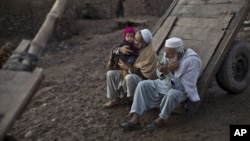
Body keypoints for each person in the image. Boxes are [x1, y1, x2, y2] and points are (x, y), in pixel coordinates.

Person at [120, 37, 202, 131]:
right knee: (142, 85)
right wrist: (164, 70)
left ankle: (160, 120)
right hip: (164, 83)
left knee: (172, 94)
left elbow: (182, 87)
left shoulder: (191, 61)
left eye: (169, 53)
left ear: (178, 53)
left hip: (180, 89)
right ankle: (135, 119)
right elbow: (159, 72)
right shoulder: (169, 54)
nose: (166, 55)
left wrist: (167, 72)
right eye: (165, 52)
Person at [103, 29, 158, 108]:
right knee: (110, 73)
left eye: (136, 40)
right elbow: (115, 50)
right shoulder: (134, 46)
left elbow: (145, 74)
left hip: (142, 81)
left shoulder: (149, 54)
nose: (133, 41)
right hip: (127, 72)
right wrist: (119, 50)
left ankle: (134, 102)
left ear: (143, 44)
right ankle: (115, 99)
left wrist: (127, 68)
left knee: (130, 77)